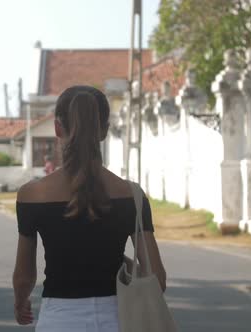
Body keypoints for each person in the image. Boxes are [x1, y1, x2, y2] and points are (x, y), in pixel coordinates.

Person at [12, 86, 167, 331]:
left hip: (59, 320)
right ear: (104, 131)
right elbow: (156, 277)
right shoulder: (132, 195)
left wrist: (21, 301)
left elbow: (24, 277)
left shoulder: (33, 195)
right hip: (119, 320)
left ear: (57, 128)